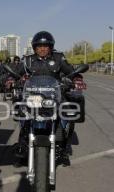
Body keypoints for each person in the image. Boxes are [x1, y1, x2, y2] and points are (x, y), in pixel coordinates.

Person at [13, 31, 86, 164]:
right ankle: (23, 149)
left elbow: (70, 71)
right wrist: (10, 79)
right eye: (39, 46)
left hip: (54, 96)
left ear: (50, 47)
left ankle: (63, 149)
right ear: (34, 47)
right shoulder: (28, 60)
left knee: (67, 118)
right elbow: (16, 72)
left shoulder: (58, 58)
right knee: (23, 119)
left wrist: (76, 78)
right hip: (33, 97)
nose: (42, 48)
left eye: (45, 46)